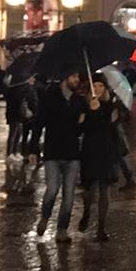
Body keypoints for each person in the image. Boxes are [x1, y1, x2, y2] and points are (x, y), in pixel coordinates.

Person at [36, 74, 92, 244]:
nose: (77, 80)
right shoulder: (50, 97)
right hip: (53, 152)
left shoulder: (79, 101)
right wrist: (32, 149)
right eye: (74, 76)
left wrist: (90, 112)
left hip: (72, 154)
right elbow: (39, 122)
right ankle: (45, 217)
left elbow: (80, 131)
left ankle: (62, 229)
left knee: (68, 196)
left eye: (77, 77)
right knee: (52, 189)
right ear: (64, 78)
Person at [76, 77, 118, 241]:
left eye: (101, 85)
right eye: (95, 85)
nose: (98, 88)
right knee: (89, 189)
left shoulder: (112, 105)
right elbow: (81, 129)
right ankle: (86, 212)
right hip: (90, 150)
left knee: (104, 189)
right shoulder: (84, 105)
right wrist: (90, 112)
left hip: (106, 150)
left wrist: (99, 111)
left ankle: (101, 226)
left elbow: (110, 126)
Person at [4, 73, 32, 158]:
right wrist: (27, 85)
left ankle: (15, 152)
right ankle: (10, 153)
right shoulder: (11, 91)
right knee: (13, 133)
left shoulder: (15, 90)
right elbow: (19, 99)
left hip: (18, 114)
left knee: (18, 133)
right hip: (14, 114)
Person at [111, 94, 136, 189]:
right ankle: (115, 176)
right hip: (114, 130)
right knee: (117, 156)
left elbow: (126, 116)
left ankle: (130, 179)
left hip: (116, 131)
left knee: (122, 156)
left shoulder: (116, 102)